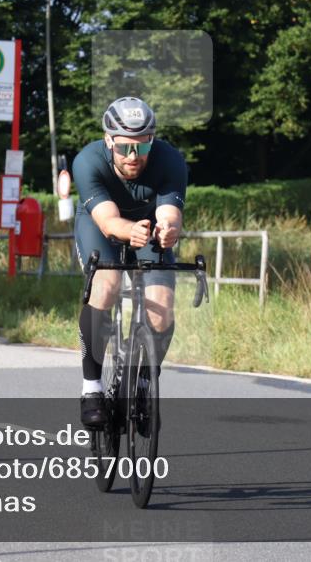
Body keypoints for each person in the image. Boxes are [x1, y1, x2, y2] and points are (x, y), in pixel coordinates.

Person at [72, 97, 187, 428]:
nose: (133, 157)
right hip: (100, 227)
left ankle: (145, 381)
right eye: (123, 148)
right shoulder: (88, 161)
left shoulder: (170, 160)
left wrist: (169, 230)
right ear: (108, 140)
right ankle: (91, 388)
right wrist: (127, 231)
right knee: (106, 287)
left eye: (141, 147)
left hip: (148, 228)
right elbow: (108, 222)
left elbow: (169, 212)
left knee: (161, 308)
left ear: (152, 139)